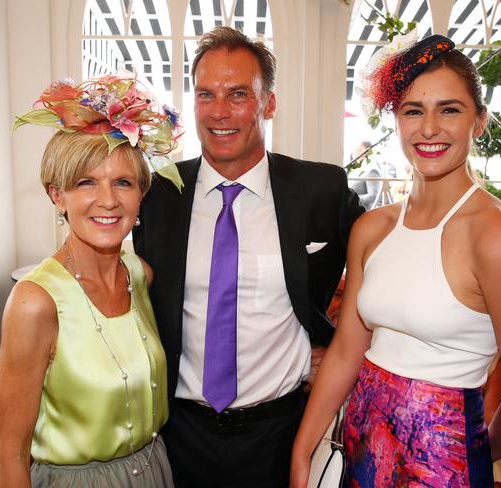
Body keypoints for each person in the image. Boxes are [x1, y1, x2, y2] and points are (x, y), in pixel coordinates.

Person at [291, 33, 501, 487]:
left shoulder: (497, 236)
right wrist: (302, 451)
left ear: (479, 121)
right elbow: (348, 350)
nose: (428, 128)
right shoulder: (373, 229)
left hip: (442, 467)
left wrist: (469, 457)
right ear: (396, 120)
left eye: (449, 109)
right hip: (357, 448)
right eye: (413, 111)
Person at [133, 26, 364, 488]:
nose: (219, 112)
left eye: (238, 94)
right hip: (176, 434)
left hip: (281, 433)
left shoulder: (321, 190)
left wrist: (343, 350)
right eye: (206, 94)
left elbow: (386, 266)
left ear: (269, 103)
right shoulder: (157, 193)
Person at [0, 71, 183, 487]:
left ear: (141, 194)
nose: (108, 200)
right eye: (85, 183)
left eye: (123, 183)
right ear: (57, 195)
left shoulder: (138, 275)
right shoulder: (35, 303)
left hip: (155, 471)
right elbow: (7, 455)